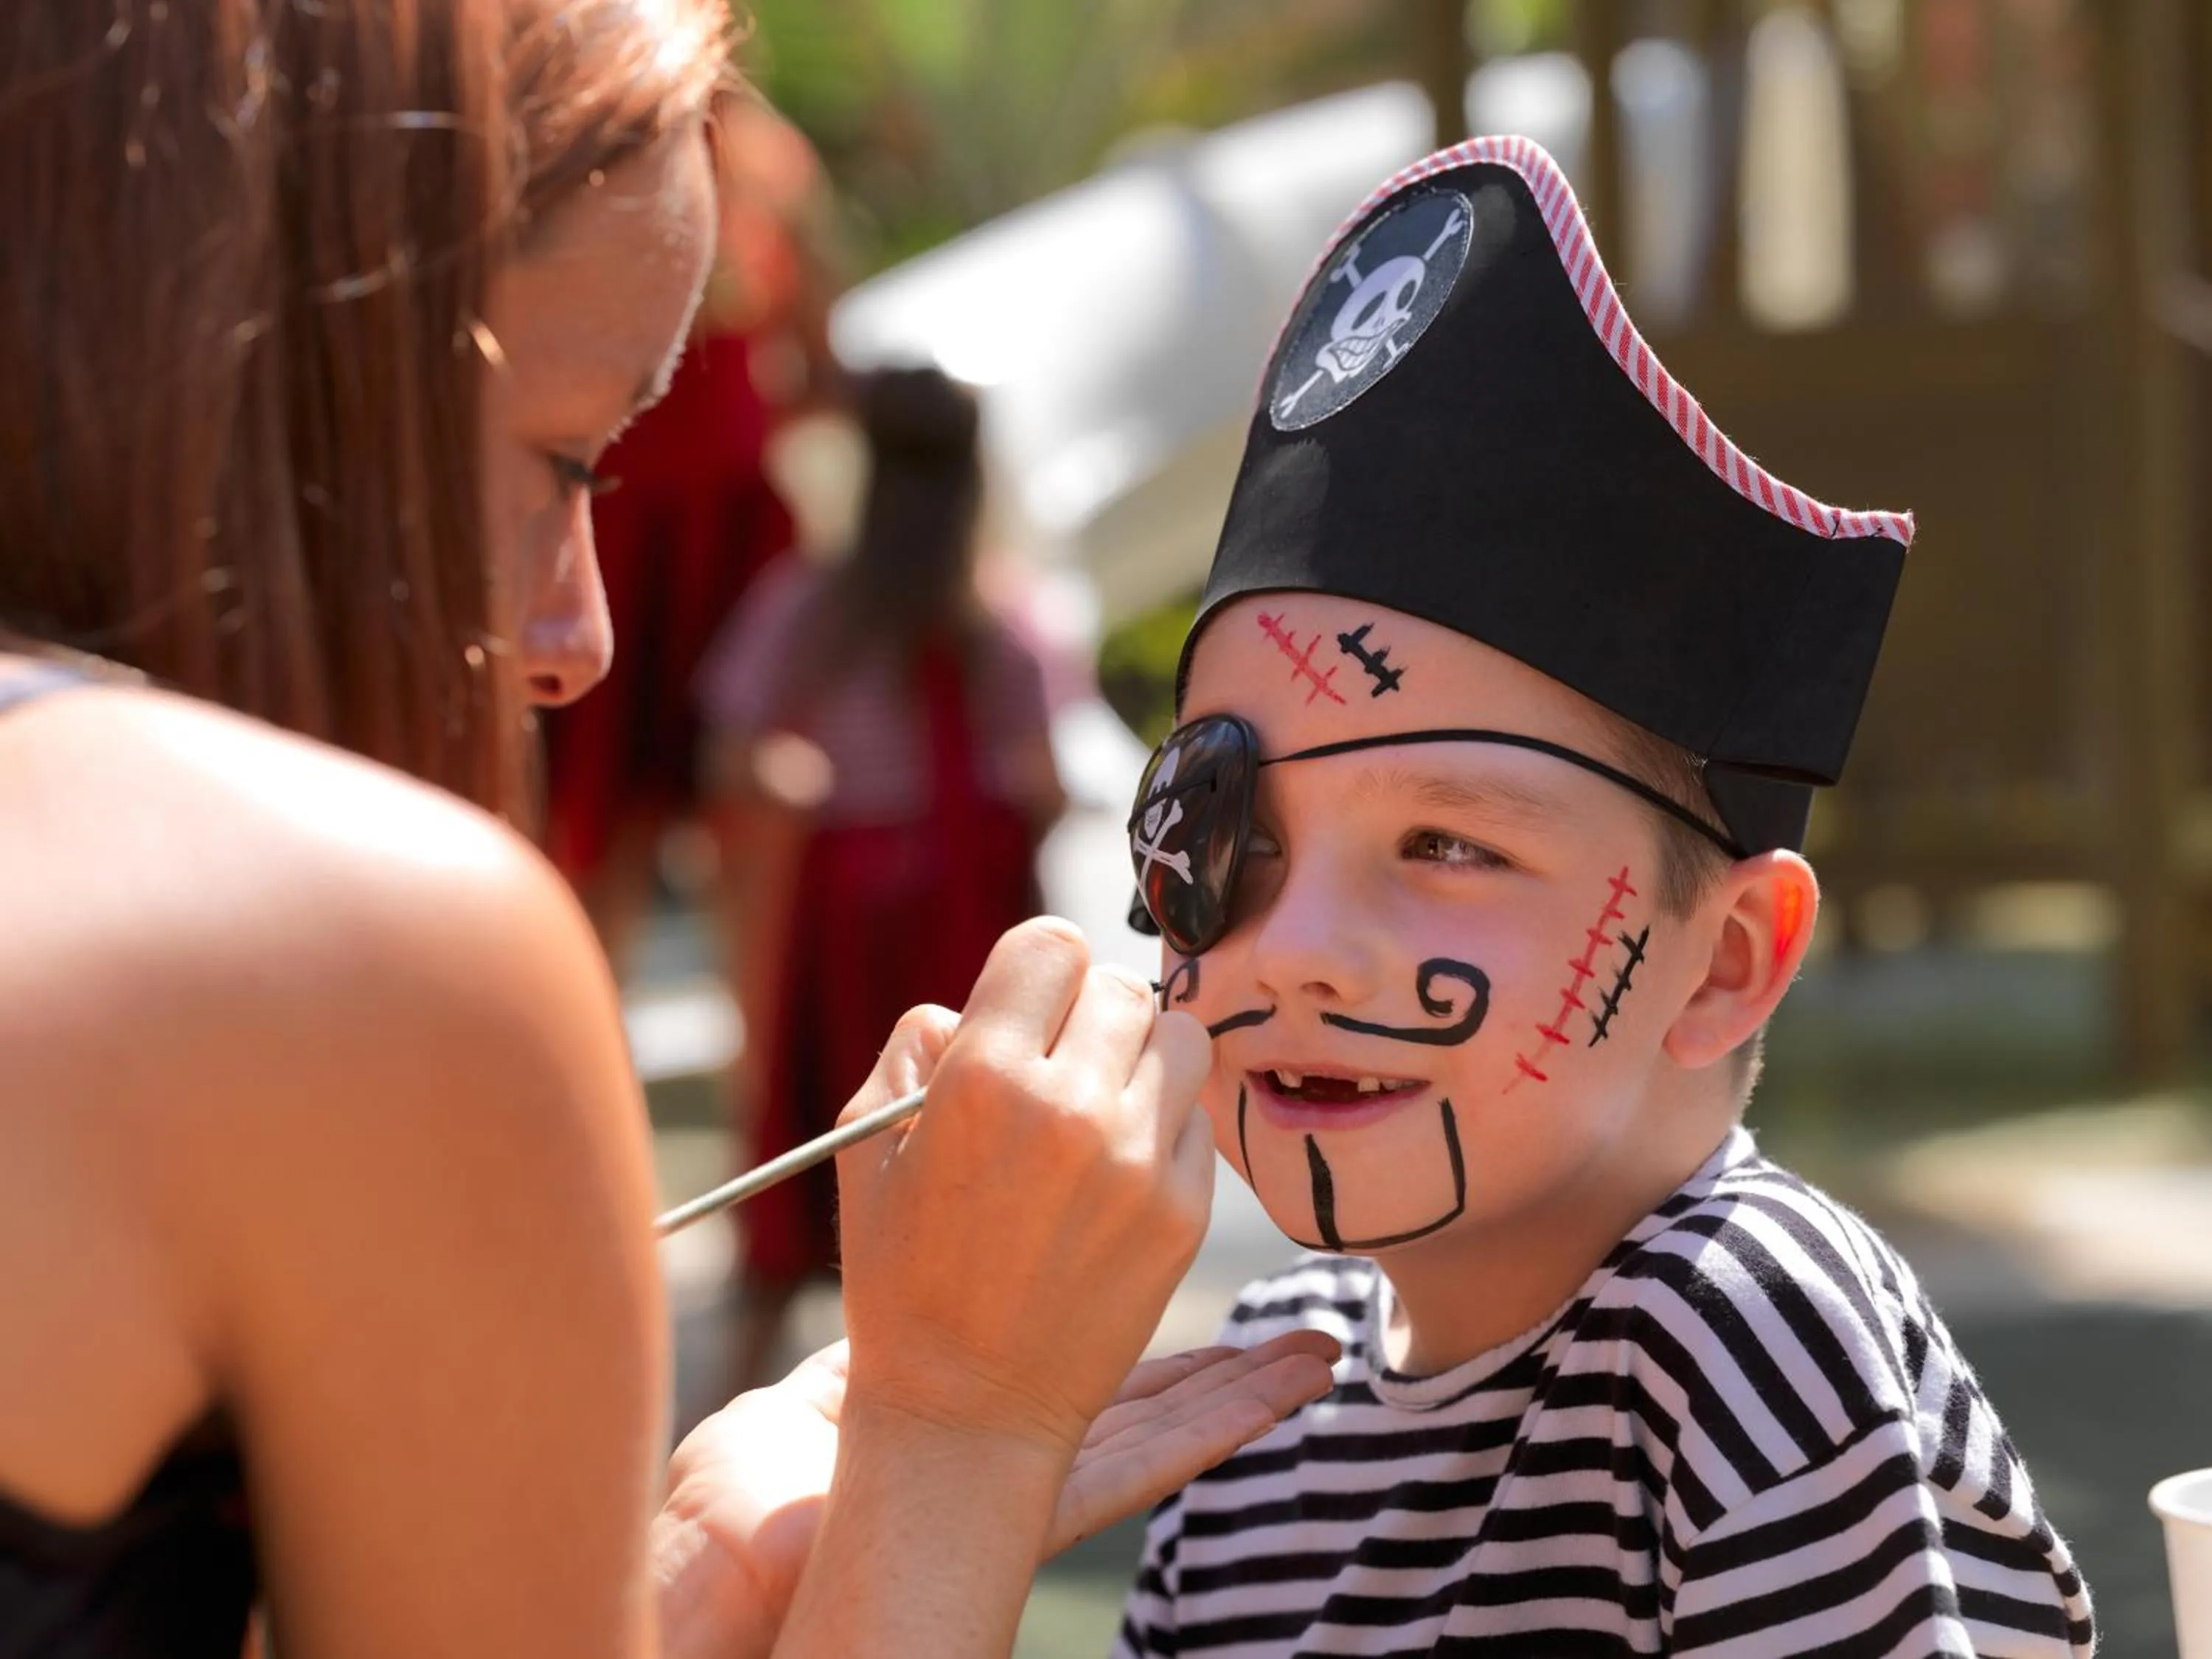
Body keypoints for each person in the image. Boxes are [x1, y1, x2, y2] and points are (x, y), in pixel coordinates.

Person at [0, 4, 1339, 1656]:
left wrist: (689, 1581)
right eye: (562, 460)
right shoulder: (357, 965)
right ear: (267, 365)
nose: (582, 638)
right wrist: (963, 1445)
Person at [1113, 136, 2095, 1655]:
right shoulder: (1248, 1406)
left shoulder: (1740, 1334)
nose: (1294, 949)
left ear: (1723, 962)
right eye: (1234, 830)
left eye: (1449, 844)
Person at [697, 364, 1069, 1389]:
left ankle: (756, 1370)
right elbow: (1044, 783)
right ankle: (970, 1367)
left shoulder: (833, 608)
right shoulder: (998, 621)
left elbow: (730, 744)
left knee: (820, 1132)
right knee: (941, 1133)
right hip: (910, 918)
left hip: (873, 910)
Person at [540, 92, 841, 970]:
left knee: (746, 812)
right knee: (599, 824)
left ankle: (771, 1087)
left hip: (730, 545)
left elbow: (821, 353)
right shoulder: (585, 158)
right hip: (624, 537)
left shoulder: (772, 167)